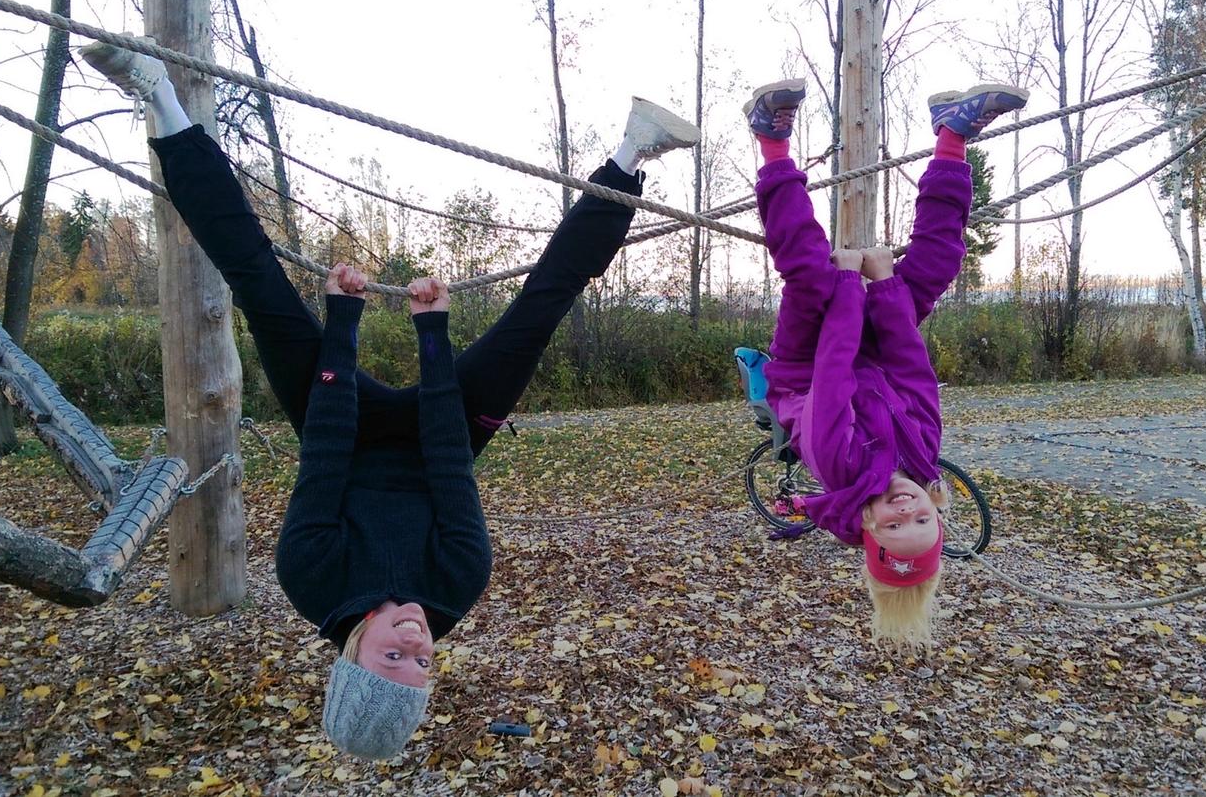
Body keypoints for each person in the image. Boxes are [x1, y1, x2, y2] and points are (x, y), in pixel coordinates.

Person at [80, 37, 700, 759]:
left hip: (338, 434)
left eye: (391, 659)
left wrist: (342, 322)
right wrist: (431, 335)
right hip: (447, 439)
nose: (413, 643)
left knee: (257, 281)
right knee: (542, 307)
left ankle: (157, 97)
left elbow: (331, 448)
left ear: (351, 656)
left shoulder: (308, 576)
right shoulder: (459, 580)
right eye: (422, 664)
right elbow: (444, 456)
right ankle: (632, 149)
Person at [746, 77, 1026, 648]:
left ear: (867, 526)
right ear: (937, 515)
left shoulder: (838, 466)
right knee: (936, 265)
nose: (906, 511)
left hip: (807, 364)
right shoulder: (922, 456)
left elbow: (831, 371)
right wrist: (888, 287)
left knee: (808, 269)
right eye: (920, 523)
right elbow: (912, 371)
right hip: (875, 351)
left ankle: (769, 140)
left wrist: (851, 281)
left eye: (894, 526)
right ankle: (952, 134)